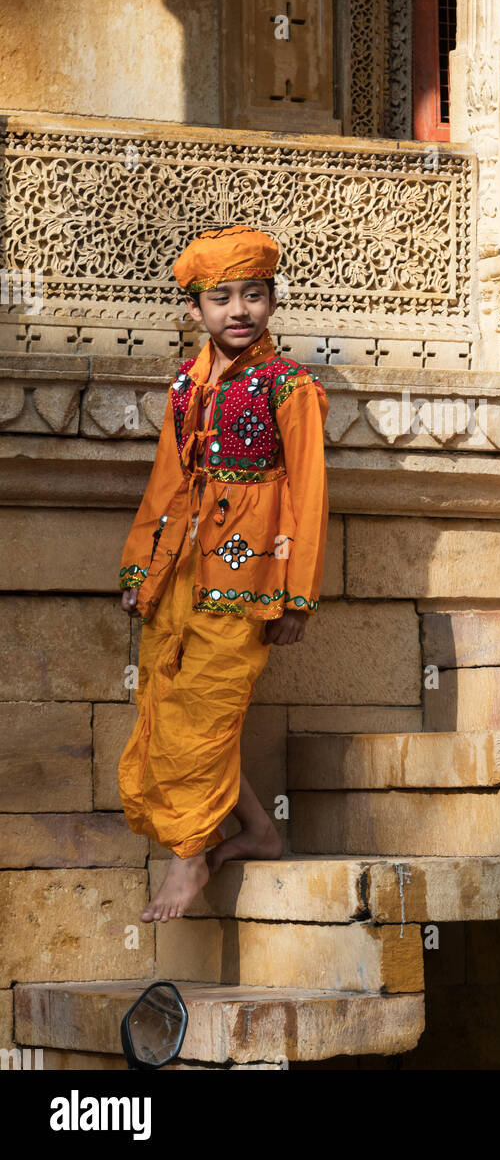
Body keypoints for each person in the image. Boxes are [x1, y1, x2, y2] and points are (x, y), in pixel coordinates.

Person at [117, 224, 329, 921]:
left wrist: (297, 592)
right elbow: (164, 480)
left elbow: (309, 491)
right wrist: (139, 568)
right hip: (176, 573)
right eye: (221, 300)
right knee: (168, 708)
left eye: (254, 296)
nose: (238, 311)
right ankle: (260, 831)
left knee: (203, 716)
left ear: (272, 302)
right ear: (196, 311)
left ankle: (187, 866)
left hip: (246, 578)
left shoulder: (288, 385)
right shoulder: (187, 384)